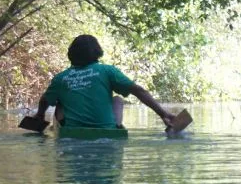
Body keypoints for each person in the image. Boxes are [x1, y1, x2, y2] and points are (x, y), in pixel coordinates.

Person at [33, 35, 175, 129]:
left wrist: (40, 115)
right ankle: (116, 127)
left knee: (59, 101)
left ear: (71, 54)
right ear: (97, 52)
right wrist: (163, 114)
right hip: (107, 132)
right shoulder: (108, 71)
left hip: (73, 133)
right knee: (118, 100)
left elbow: (45, 100)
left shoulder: (60, 78)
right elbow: (139, 91)